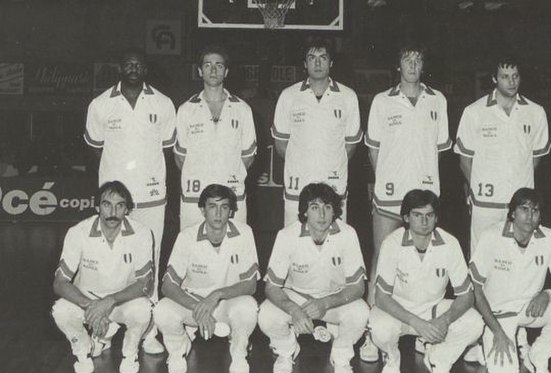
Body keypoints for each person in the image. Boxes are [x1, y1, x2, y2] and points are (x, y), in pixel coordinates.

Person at [361, 43, 451, 362]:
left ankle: (420, 333)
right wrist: (390, 175)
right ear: (397, 64)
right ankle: (373, 336)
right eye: (406, 59)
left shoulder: (437, 100)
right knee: (380, 258)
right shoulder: (381, 102)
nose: (412, 64)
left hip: (425, 195)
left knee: (423, 262)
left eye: (418, 58)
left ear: (423, 64)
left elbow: (439, 149)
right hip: (389, 193)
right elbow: (373, 151)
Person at [84, 47, 176, 353]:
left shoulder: (163, 103)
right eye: (128, 63)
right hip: (114, 200)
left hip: (151, 195)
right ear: (120, 68)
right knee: (110, 260)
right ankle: (103, 326)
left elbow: (166, 148)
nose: (133, 67)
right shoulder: (99, 105)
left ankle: (148, 330)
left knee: (151, 258)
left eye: (138, 64)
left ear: (146, 69)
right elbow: (97, 148)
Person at [368, 190, 483, 373]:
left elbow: (466, 295)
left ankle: (439, 360)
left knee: (475, 323)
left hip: (433, 310)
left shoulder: (450, 243)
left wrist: (444, 320)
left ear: (436, 218)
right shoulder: (392, 243)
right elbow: (381, 298)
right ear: (406, 217)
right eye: (417, 215)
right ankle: (392, 359)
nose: (424, 221)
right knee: (379, 327)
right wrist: (417, 323)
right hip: (399, 311)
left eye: (429, 215)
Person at [469, 188, 551, 373]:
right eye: (524, 209)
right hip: (498, 316)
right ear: (512, 213)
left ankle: (537, 357)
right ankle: (484, 342)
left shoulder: (549, 237)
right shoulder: (491, 236)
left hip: (529, 310)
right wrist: (498, 332)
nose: (530, 216)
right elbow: (475, 291)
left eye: (535, 211)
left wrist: (548, 294)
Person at [258, 183, 369, 373]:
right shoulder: (286, 235)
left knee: (361, 312)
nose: (322, 215)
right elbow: (271, 287)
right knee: (266, 314)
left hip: (333, 298)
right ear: (304, 211)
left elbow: (358, 288)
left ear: (335, 211)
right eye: (314, 207)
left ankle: (342, 355)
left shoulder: (348, 233)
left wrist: (325, 303)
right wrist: (293, 310)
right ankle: (286, 350)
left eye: (327, 207)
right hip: (297, 296)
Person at [153, 184, 259, 373]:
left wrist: (216, 295)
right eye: (212, 206)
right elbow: (167, 285)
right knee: (161, 310)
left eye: (224, 207)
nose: (218, 213)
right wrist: (198, 308)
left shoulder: (244, 233)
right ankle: (177, 350)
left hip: (227, 302)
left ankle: (238, 353)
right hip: (194, 304)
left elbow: (251, 284)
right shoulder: (186, 236)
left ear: (231, 211)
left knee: (249, 307)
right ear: (202, 210)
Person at [51, 181, 154, 373]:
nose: (113, 211)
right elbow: (60, 282)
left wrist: (110, 301)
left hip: (122, 301)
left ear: (127, 209)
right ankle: (83, 351)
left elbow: (145, 285)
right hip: (87, 302)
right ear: (97, 207)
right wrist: (91, 306)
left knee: (143, 310)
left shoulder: (142, 233)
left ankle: (130, 353)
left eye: (120, 205)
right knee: (60, 311)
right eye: (107, 204)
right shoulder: (78, 232)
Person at [454, 56, 550, 256]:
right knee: (482, 257)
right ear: (494, 79)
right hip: (485, 204)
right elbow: (465, 161)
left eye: (515, 76)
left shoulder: (536, 112)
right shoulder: (474, 112)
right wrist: (479, 190)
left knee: (517, 258)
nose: (511, 82)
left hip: (521, 204)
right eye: (505, 76)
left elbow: (535, 160)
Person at [272, 37, 362, 226]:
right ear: (305, 64)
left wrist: (329, 162)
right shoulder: (289, 96)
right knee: (295, 243)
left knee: (333, 244)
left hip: (334, 184)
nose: (318, 62)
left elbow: (351, 145)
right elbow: (281, 145)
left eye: (323, 57)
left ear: (331, 62)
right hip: (298, 184)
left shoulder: (348, 97)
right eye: (312, 58)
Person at [174, 45, 257, 229]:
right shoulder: (186, 110)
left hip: (232, 194)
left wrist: (226, 173)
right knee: (193, 251)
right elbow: (180, 159)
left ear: (226, 72)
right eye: (208, 65)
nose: (213, 70)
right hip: (194, 196)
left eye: (219, 65)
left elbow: (248, 157)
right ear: (199, 70)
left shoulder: (242, 109)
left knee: (234, 249)